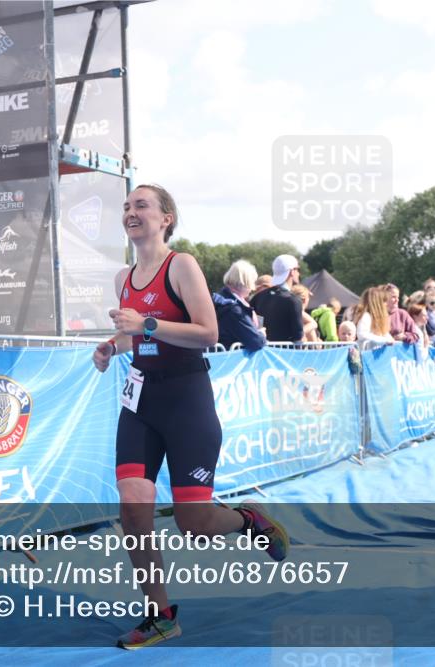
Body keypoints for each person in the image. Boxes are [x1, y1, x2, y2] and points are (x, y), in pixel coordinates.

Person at [91, 184, 288, 650]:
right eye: (126, 206)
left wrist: (145, 325)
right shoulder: (123, 278)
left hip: (187, 401)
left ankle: (248, 520)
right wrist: (111, 346)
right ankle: (160, 615)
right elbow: (135, 337)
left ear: (166, 218)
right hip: (140, 401)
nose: (131, 212)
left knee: (194, 524)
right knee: (132, 505)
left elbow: (207, 333)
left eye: (142, 205)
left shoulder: (181, 265)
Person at [212, 259, 266, 352]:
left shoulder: (218, 299)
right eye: (252, 282)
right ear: (246, 282)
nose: (252, 288)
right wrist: (262, 334)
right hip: (229, 361)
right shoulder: (234, 309)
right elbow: (256, 342)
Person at [250, 255, 303, 343]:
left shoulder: (258, 297)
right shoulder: (293, 300)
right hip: (286, 354)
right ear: (292, 271)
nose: (299, 273)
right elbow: (298, 336)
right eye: (297, 269)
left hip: (263, 352)